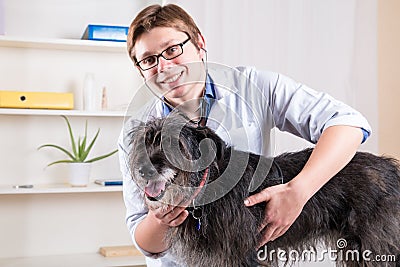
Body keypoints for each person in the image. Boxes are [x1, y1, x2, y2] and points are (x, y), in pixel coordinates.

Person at [119, 4, 371, 266]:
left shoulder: (255, 87)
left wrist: (299, 190)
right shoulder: (134, 135)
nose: (164, 67)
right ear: (141, 70)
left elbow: (349, 124)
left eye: (172, 50)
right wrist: (159, 220)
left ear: (199, 43)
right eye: (149, 60)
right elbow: (145, 241)